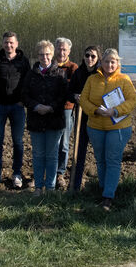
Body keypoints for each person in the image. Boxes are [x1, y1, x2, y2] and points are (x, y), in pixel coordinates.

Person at [79, 48, 136, 210]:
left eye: (113, 62)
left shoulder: (124, 80)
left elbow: (132, 100)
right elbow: (83, 100)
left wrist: (116, 111)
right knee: (100, 160)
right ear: (101, 62)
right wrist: (95, 110)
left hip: (118, 127)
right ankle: (103, 189)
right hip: (96, 126)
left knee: (112, 160)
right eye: (106, 61)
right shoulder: (92, 79)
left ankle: (108, 196)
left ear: (117, 63)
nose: (109, 64)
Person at [22, 40, 69, 194]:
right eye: (41, 54)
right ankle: (38, 187)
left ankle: (50, 187)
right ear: (38, 55)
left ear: (52, 54)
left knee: (52, 155)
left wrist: (50, 107)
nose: (45, 57)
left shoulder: (60, 74)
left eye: (47, 54)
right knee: (38, 155)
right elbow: (24, 95)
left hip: (54, 120)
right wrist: (36, 106)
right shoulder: (31, 74)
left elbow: (63, 96)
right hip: (36, 120)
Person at [0, 31, 31, 189]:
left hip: (17, 107)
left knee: (18, 142)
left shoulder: (24, 61)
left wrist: (22, 101)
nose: (9, 45)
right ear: (2, 43)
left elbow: (28, 83)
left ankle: (17, 173)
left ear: (17, 44)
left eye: (11, 42)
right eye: (6, 42)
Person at [68, 45, 100, 189]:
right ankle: (75, 186)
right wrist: (75, 96)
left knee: (100, 154)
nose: (89, 59)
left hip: (98, 118)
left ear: (98, 58)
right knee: (79, 153)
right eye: (87, 55)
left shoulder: (101, 74)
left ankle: (102, 186)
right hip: (81, 118)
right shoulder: (78, 73)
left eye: (93, 56)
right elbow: (69, 92)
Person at [53, 37, 79, 188]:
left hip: (66, 109)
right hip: (51, 108)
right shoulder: (49, 65)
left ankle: (60, 173)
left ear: (69, 51)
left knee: (63, 143)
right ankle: (47, 171)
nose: (61, 52)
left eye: (64, 49)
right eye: (59, 49)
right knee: (50, 141)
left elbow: (72, 88)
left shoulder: (73, 68)